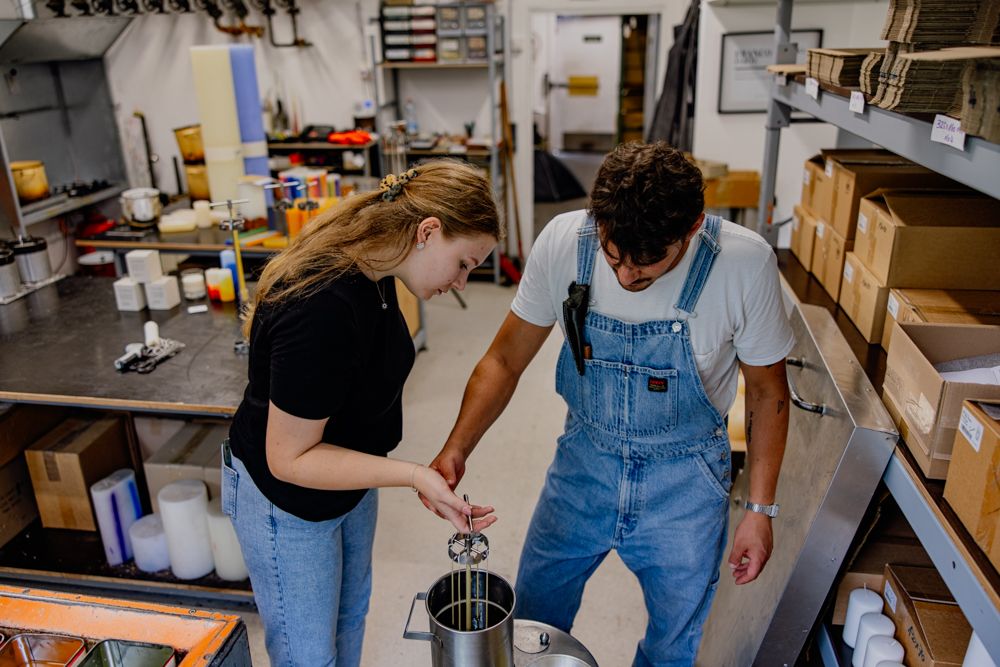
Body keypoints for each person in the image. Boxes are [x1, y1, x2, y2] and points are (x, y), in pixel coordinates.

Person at [427, 142, 794, 666]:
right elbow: (504, 361)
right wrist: (456, 447)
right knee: (532, 623)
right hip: (584, 464)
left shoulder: (744, 263)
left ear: (691, 229)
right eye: (613, 256)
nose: (625, 278)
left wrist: (760, 509)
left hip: (686, 483)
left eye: (647, 265)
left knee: (676, 646)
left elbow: (767, 392)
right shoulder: (563, 242)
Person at [224, 160, 501, 667]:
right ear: (428, 231)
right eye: (464, 263)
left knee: (350, 624)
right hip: (286, 502)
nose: (463, 282)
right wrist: (415, 476)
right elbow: (289, 459)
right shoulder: (319, 303)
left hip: (348, 483)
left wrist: (417, 476)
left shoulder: (376, 271)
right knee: (309, 657)